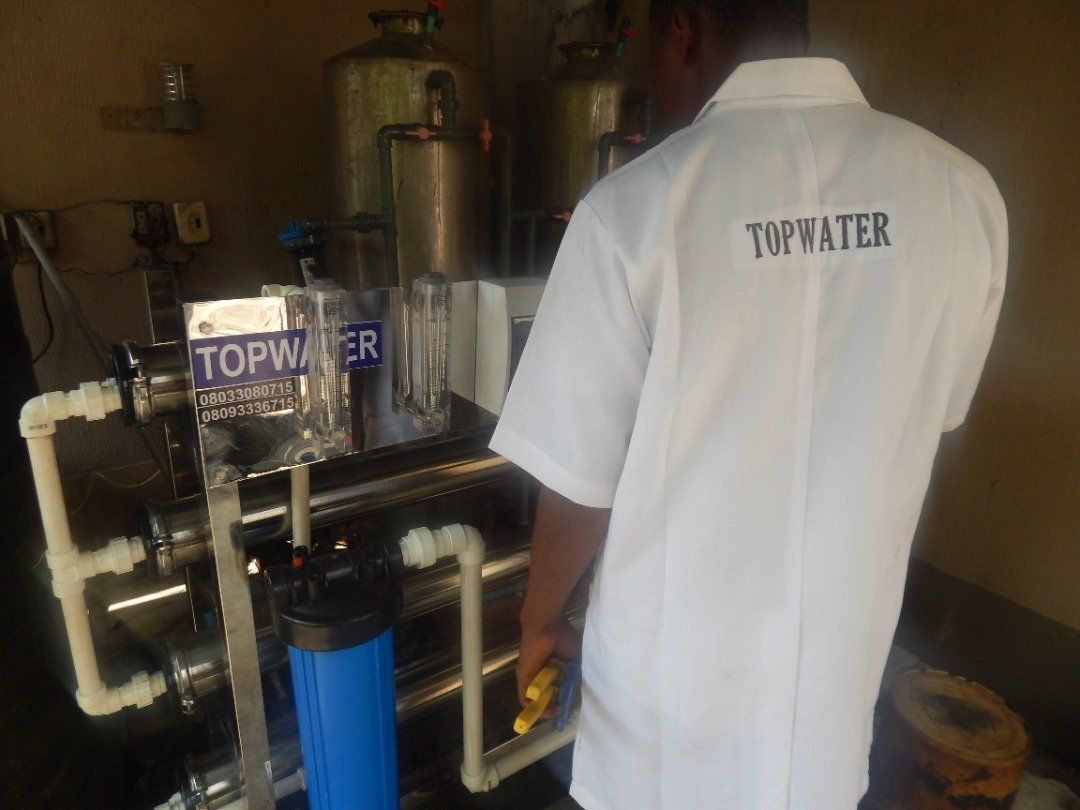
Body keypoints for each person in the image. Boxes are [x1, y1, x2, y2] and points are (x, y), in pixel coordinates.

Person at [489, 0, 1007, 806]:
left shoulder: (634, 209)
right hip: (828, 695)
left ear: (682, 30)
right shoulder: (961, 195)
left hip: (666, 713)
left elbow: (578, 482)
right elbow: (931, 412)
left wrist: (540, 618)